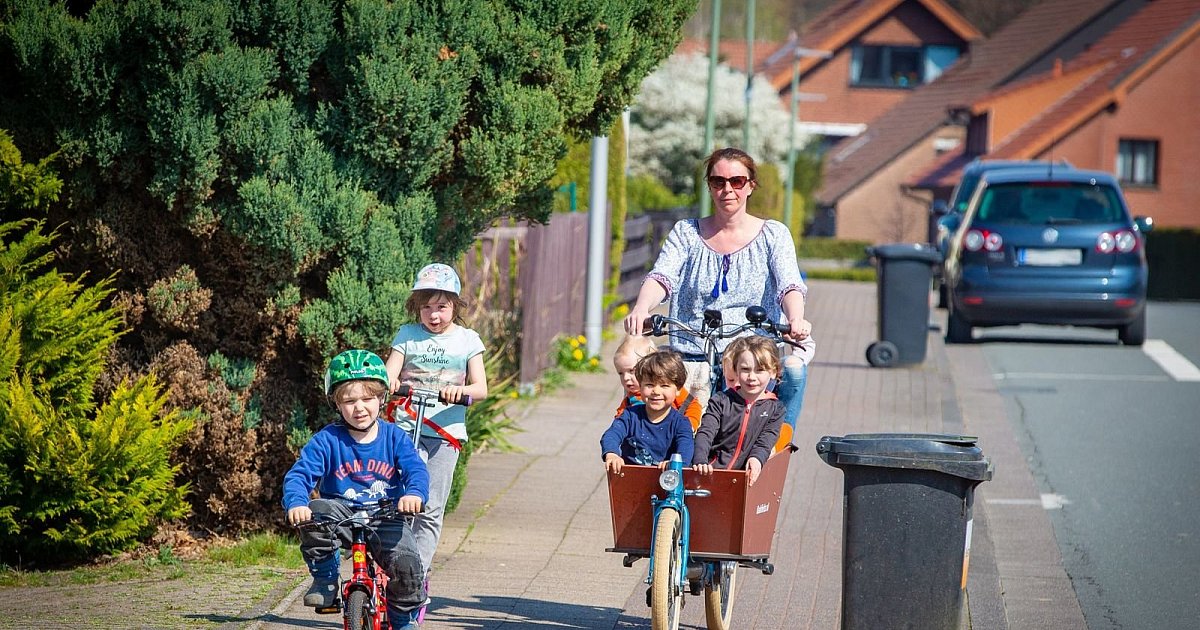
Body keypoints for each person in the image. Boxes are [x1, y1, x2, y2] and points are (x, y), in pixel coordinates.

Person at [623, 147, 815, 428]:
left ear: (750, 186)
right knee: (647, 391)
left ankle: (776, 445)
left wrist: (796, 318)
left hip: (749, 358)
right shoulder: (686, 233)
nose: (728, 189)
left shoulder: (774, 235)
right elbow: (662, 276)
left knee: (790, 375)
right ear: (710, 186)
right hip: (691, 354)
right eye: (718, 182)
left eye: (736, 181)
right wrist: (641, 308)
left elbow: (789, 284)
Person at [283, 349, 429, 630]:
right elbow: (299, 475)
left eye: (367, 398)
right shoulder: (327, 440)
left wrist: (414, 494)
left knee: (407, 568)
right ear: (337, 404)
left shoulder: (394, 437)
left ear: (381, 398)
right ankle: (325, 578)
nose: (359, 407)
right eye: (349, 401)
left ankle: (401, 618)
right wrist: (296, 502)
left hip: (386, 516)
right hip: (343, 515)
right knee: (315, 512)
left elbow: (415, 469)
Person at [384, 263, 488, 610]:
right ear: (417, 307)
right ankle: (392, 569)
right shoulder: (407, 335)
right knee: (401, 504)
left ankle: (416, 576)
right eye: (426, 306)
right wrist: (393, 384)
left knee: (429, 508)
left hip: (444, 434)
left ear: (455, 306)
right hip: (405, 429)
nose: (433, 314)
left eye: (441, 307)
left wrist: (460, 392)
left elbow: (481, 387)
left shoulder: (467, 340)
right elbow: (388, 375)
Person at [691, 336, 786, 487]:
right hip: (711, 471)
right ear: (736, 370)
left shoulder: (775, 409)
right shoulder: (721, 400)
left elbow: (765, 442)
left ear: (773, 372)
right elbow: (706, 432)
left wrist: (756, 459)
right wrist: (700, 459)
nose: (751, 377)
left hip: (744, 478)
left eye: (760, 370)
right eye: (745, 369)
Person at [600, 350, 695, 473]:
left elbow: (686, 447)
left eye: (664, 386)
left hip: (667, 479)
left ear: (678, 390)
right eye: (649, 385)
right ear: (640, 385)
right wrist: (612, 453)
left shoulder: (681, 423)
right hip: (631, 478)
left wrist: (677, 462)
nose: (656, 391)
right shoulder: (630, 415)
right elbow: (612, 434)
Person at [611, 335, 704, 430]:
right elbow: (619, 419)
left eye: (631, 371)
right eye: (620, 373)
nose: (626, 378)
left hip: (671, 437)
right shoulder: (630, 399)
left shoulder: (668, 388)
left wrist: (689, 425)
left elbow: (692, 405)